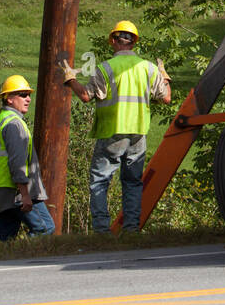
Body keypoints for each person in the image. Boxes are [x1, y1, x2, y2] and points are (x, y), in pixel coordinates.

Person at [61, 21, 171, 234]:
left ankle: (102, 230)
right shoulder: (148, 68)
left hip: (112, 131)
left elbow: (85, 96)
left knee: (100, 179)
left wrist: (70, 79)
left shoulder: (105, 68)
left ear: (112, 41)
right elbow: (166, 98)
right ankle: (131, 229)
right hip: (138, 133)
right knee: (132, 182)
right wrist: (164, 77)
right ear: (134, 42)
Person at [0, 75, 56, 242]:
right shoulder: (14, 124)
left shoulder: (1, 120)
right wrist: (25, 195)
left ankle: (5, 263)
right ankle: (22, 260)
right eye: (22, 94)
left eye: (28, 94)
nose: (28, 98)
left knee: (5, 240)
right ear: (9, 98)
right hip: (15, 192)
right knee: (45, 228)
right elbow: (17, 163)